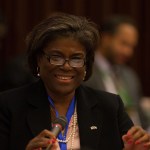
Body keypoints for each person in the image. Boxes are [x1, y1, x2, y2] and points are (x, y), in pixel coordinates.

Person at [0, 13, 150, 150]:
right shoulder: (8, 106)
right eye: (56, 57)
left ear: (86, 65)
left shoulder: (110, 106)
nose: (66, 66)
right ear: (39, 59)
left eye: (76, 59)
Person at [84, 15, 149, 129]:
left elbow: (142, 119)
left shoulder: (130, 75)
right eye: (124, 44)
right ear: (106, 38)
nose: (128, 52)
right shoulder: (86, 71)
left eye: (132, 46)